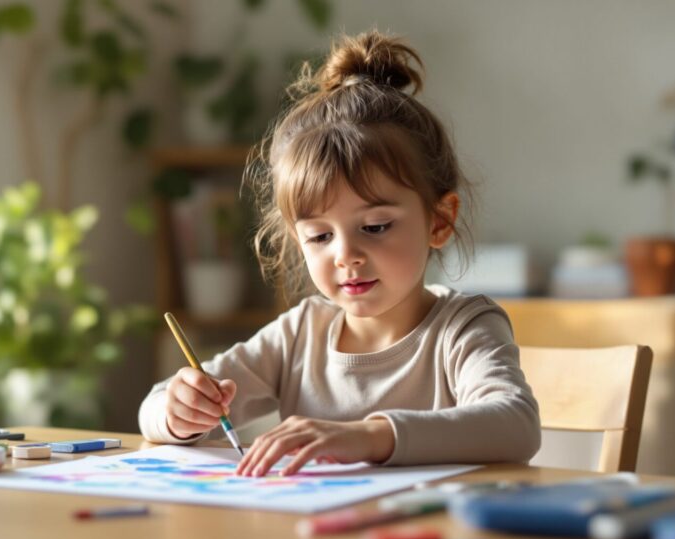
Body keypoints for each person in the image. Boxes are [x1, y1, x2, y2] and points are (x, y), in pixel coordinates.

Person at [138, 30, 540, 477]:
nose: (346, 255)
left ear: (439, 221)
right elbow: (153, 408)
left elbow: (516, 425)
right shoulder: (299, 335)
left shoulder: (463, 329)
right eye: (319, 237)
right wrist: (179, 411)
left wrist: (368, 437)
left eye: (375, 227)